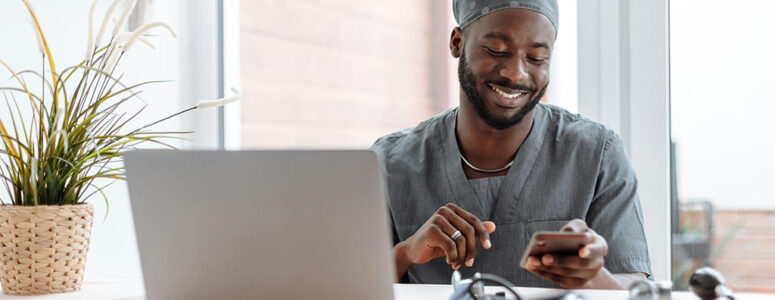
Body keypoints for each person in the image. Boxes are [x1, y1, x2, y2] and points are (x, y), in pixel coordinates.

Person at [371, 0, 652, 289]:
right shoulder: (390, 163)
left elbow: (634, 286)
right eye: (496, 50)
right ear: (457, 43)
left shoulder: (596, 154)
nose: (516, 73)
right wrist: (405, 253)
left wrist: (595, 277)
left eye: (537, 57)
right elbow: (339, 284)